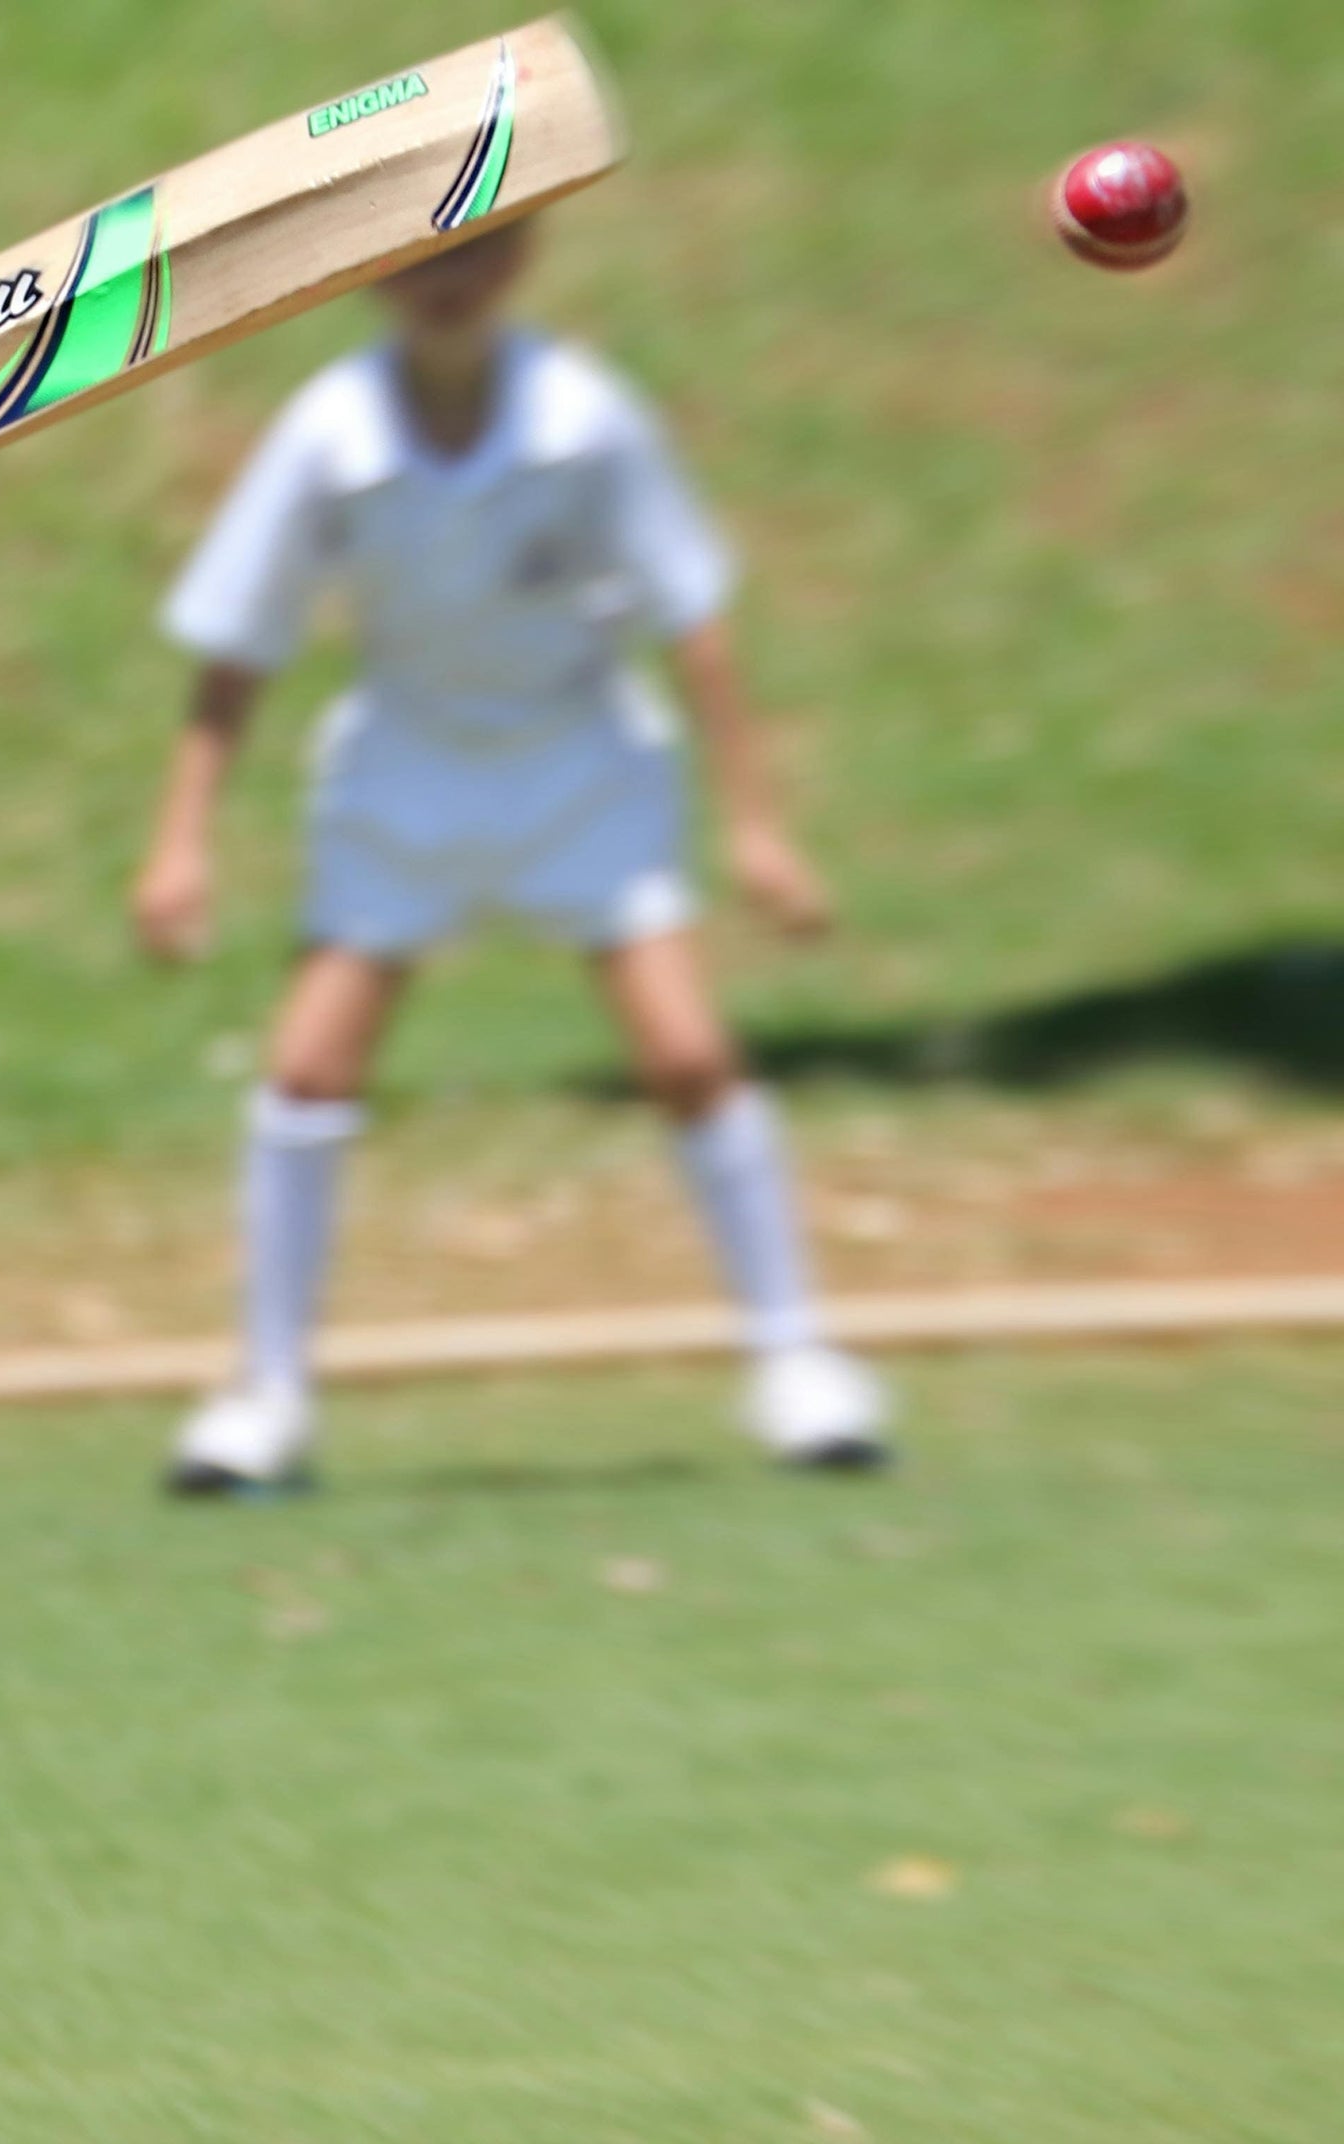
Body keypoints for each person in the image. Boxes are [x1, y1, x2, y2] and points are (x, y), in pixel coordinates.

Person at [128, 218, 889, 1496]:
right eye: (415, 258)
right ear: (366, 274)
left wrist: (758, 828)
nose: (445, 283)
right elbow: (239, 641)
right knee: (307, 1072)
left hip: (578, 755)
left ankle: (798, 1362)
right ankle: (264, 1398)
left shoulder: (587, 418)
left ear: (522, 262)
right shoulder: (329, 436)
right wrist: (180, 839)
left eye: (475, 253)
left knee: (690, 1056)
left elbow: (693, 620)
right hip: (406, 768)